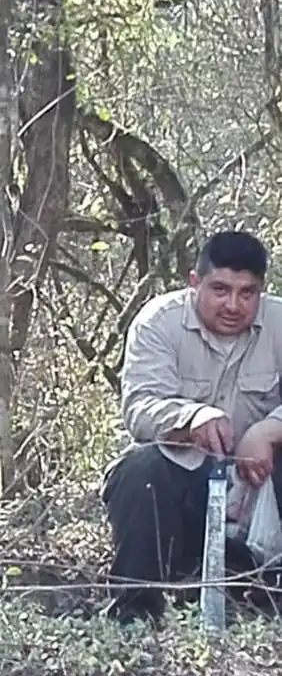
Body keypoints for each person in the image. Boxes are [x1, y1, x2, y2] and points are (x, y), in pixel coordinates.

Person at [102, 229, 282, 623]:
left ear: (261, 291)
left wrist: (269, 430)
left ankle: (265, 595)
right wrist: (192, 418)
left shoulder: (278, 321)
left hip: (261, 489)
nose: (233, 305)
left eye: (247, 293)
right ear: (194, 282)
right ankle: (136, 614)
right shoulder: (158, 322)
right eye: (220, 289)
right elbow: (139, 407)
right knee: (140, 470)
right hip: (189, 487)